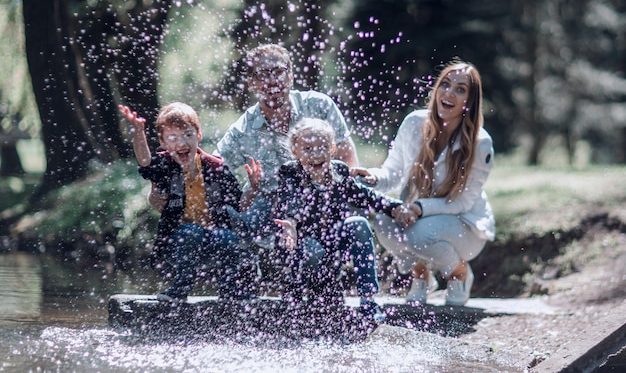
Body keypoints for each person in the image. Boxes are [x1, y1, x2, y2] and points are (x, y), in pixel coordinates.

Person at [148, 43, 359, 246]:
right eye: (261, 74)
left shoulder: (319, 106)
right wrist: (164, 184)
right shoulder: (242, 130)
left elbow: (347, 160)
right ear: (251, 83)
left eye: (278, 71)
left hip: (320, 197)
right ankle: (249, 264)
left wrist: (324, 200)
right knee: (229, 213)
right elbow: (209, 171)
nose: (271, 80)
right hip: (268, 209)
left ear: (291, 76)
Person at [352, 60, 495, 306]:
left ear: (469, 102)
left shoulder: (480, 143)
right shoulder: (414, 123)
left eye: (460, 89)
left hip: (463, 226)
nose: (449, 93)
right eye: (445, 85)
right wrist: (374, 177)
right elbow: (393, 172)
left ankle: (459, 273)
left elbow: (462, 202)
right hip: (417, 214)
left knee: (418, 235)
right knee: (384, 221)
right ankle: (421, 276)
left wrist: (419, 208)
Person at [272, 118, 414, 322]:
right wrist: (291, 224)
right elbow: (289, 200)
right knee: (312, 249)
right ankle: (298, 302)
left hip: (332, 247)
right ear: (295, 151)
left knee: (358, 224)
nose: (316, 153)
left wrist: (394, 207)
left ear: (332, 148)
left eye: (322, 147)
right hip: (302, 247)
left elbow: (363, 195)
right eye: (308, 148)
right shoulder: (291, 173)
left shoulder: (338, 171)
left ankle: (367, 300)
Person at [118, 102, 248, 302]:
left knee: (227, 236)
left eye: (187, 134)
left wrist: (254, 187)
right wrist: (138, 131)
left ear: (198, 136)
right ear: (163, 143)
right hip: (175, 244)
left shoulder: (215, 168)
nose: (181, 143)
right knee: (191, 231)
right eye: (173, 137)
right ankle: (180, 287)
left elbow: (240, 204)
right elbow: (145, 162)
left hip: (211, 244)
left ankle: (230, 288)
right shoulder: (165, 165)